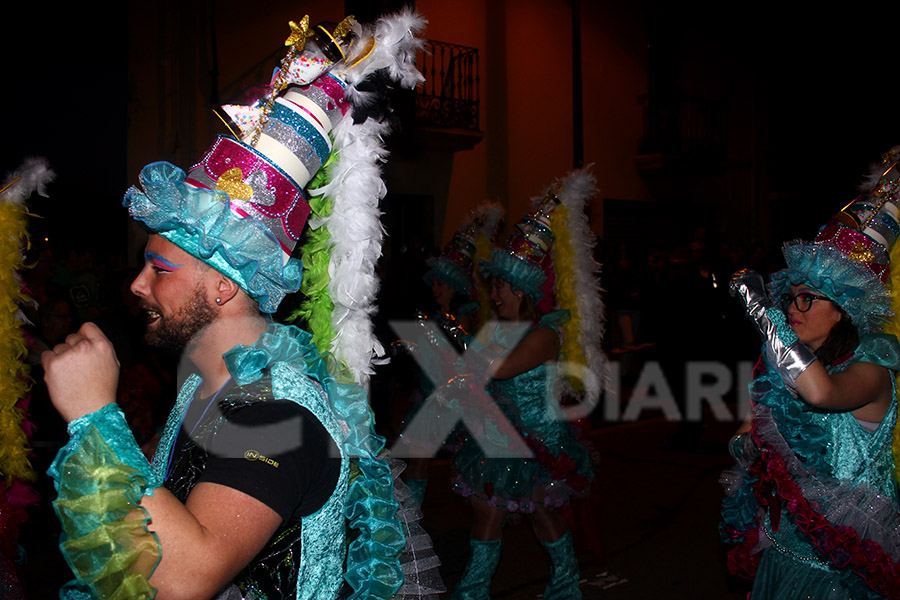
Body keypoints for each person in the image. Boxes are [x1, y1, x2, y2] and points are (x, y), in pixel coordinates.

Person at [42, 10, 435, 600]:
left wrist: (93, 415)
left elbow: (184, 579)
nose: (136, 285)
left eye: (161, 268)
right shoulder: (205, 384)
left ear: (225, 287)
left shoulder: (281, 416)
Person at [722, 146, 900, 599]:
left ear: (842, 311)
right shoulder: (781, 366)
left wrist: (766, 317)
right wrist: (750, 447)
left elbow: (821, 394)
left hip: (840, 565)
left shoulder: (873, 370)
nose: (792, 308)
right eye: (790, 297)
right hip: (784, 546)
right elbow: (745, 440)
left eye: (807, 299)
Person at [446, 170, 604, 600]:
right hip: (498, 435)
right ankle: (474, 591)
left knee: (543, 519)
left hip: (537, 440)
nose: (494, 294)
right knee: (487, 515)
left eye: (502, 287)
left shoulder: (544, 334)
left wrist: (459, 334)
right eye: (493, 285)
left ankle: (565, 586)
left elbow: (497, 368)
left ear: (523, 291)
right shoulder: (499, 328)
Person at [397, 202, 503, 507]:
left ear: (454, 285)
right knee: (418, 459)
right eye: (435, 283)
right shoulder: (437, 314)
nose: (436, 289)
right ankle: (414, 522)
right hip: (433, 393)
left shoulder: (463, 315)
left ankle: (485, 514)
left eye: (441, 284)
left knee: (466, 462)